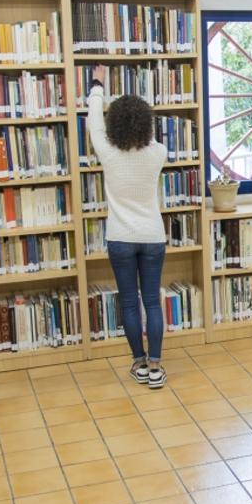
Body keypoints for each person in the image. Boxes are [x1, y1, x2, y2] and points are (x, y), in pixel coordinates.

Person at [87, 81, 168, 389]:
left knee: (130, 302)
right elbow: (148, 142)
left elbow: (95, 124)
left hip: (120, 237)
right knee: (152, 301)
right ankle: (156, 367)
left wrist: (97, 89)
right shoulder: (159, 151)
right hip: (152, 236)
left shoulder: (107, 152)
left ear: (114, 125)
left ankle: (139, 363)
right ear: (147, 124)